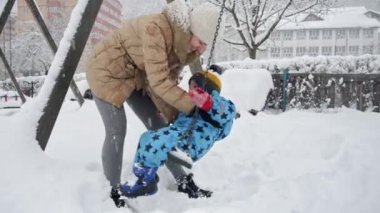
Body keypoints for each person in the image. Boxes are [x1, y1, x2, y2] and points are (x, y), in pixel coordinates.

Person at [85, 0, 224, 207]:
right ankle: (113, 192)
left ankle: (184, 181)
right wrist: (192, 107)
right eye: (201, 42)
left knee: (162, 128)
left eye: (206, 45)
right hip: (106, 71)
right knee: (117, 130)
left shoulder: (186, 46)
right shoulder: (156, 30)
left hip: (138, 75)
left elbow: (168, 81)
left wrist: (179, 120)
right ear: (193, 29)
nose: (201, 49)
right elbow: (160, 82)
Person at [120, 71, 236, 198]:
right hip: (179, 133)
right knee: (146, 137)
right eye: (190, 86)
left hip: (194, 141)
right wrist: (164, 114)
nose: (190, 90)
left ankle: (145, 181)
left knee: (157, 143)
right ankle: (145, 176)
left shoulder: (220, 104)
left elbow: (227, 114)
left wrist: (208, 103)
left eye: (195, 86)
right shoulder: (190, 105)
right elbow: (178, 117)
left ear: (207, 88)